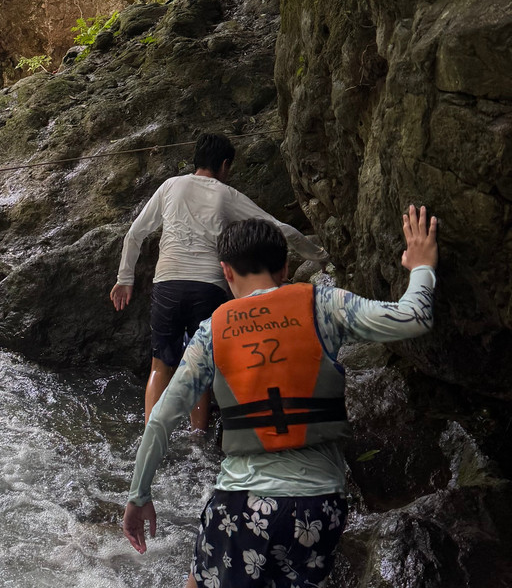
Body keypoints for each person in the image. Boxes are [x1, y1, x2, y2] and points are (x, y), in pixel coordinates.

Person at [121, 207, 438, 588]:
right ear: (286, 268)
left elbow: (160, 420)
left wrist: (139, 495)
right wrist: (422, 266)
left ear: (226, 272)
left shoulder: (211, 333)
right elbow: (414, 317)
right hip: (320, 509)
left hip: (242, 504)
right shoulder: (325, 305)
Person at [110, 133, 327, 427]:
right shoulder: (226, 194)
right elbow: (279, 229)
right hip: (208, 288)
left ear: (196, 159)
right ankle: (198, 442)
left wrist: (125, 278)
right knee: (200, 366)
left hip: (167, 285)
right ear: (225, 165)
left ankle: (151, 437)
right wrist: (320, 254)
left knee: (160, 366)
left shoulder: (170, 186)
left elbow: (135, 234)